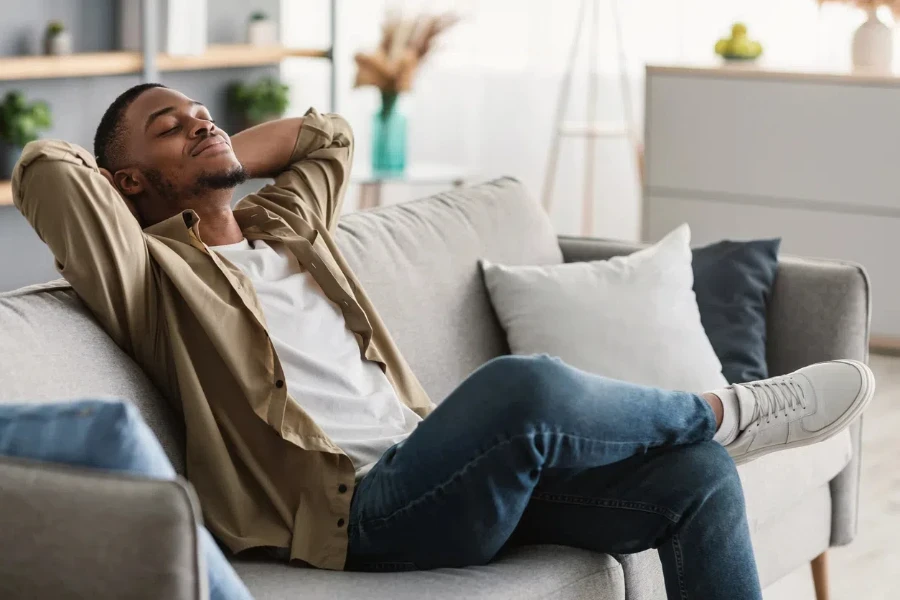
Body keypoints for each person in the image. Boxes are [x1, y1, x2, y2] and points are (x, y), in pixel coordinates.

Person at [10, 83, 874, 600]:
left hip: (436, 469)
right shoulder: (147, 276)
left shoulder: (283, 230)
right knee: (520, 388)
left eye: (204, 114)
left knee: (695, 480)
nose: (202, 124)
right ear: (126, 181)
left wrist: (219, 146)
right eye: (173, 128)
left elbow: (328, 138)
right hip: (360, 513)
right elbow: (47, 169)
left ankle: (712, 436)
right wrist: (163, 173)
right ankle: (725, 411)